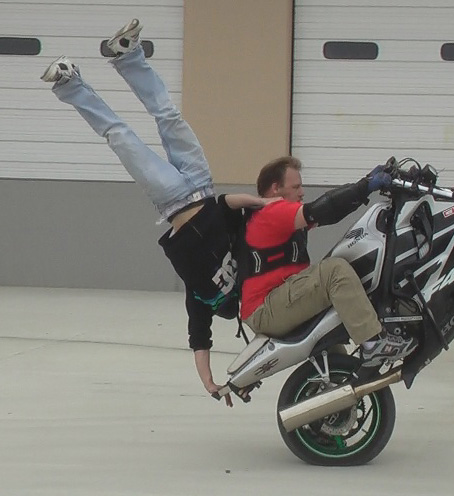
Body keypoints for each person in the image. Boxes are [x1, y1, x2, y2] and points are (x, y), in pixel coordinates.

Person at [41, 19, 269, 407]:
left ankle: (68, 83)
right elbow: (230, 205)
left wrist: (211, 383)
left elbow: (199, 339)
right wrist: (266, 204)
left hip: (173, 199)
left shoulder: (205, 297)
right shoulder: (252, 264)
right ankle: (127, 55)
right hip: (202, 182)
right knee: (169, 115)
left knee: (120, 136)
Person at [240, 156, 416, 368]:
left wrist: (365, 184)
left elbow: (331, 213)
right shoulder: (271, 212)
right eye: (296, 187)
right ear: (275, 188)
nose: (302, 192)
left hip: (279, 300)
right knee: (334, 271)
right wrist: (366, 185)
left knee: (337, 361)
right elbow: (321, 209)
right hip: (265, 308)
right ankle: (372, 343)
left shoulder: (280, 216)